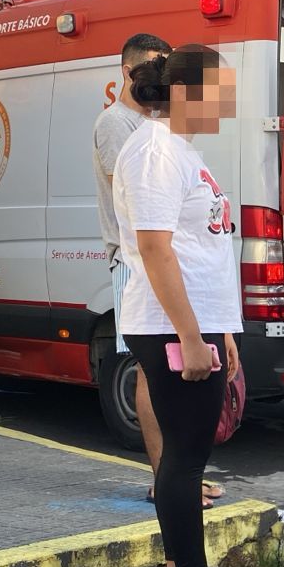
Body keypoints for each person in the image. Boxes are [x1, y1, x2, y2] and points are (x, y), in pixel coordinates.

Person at [113, 45, 261, 567]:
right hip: (172, 326)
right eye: (219, 88)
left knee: (186, 453)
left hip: (195, 322)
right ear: (184, 92)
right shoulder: (155, 151)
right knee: (184, 457)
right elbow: (154, 248)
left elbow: (200, 247)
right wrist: (192, 336)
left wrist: (217, 330)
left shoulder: (178, 150)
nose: (227, 99)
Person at [94, 34, 226, 510]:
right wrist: (192, 335)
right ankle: (163, 476)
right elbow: (150, 236)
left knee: (183, 433)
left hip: (171, 280)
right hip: (143, 273)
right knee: (155, 382)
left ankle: (177, 477)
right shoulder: (130, 132)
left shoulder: (171, 142)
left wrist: (218, 328)